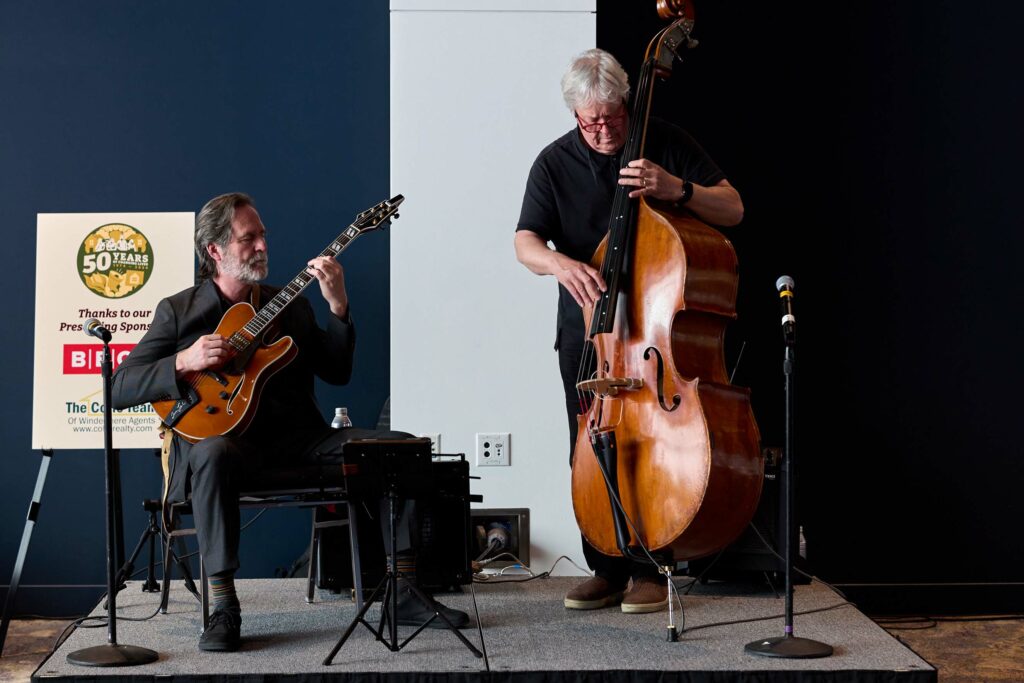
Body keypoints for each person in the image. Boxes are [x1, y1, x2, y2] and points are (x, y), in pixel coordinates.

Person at [112, 193, 467, 652]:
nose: (262, 245)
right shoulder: (178, 311)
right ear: (214, 251)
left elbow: (337, 371)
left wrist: (338, 307)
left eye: (263, 235)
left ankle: (403, 593)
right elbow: (118, 387)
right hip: (226, 452)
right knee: (213, 451)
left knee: (398, 448)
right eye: (248, 238)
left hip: (300, 443)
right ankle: (224, 607)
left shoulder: (288, 303)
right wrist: (184, 359)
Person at [514, 49, 745, 614]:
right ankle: (607, 565)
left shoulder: (663, 141)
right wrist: (560, 264)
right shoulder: (553, 163)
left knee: (655, 438)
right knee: (594, 442)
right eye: (589, 121)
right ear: (574, 116)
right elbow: (525, 242)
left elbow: (734, 209)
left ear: (627, 103)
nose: (602, 130)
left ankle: (653, 564)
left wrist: (677, 189)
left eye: (611, 118)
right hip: (590, 334)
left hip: (656, 332)